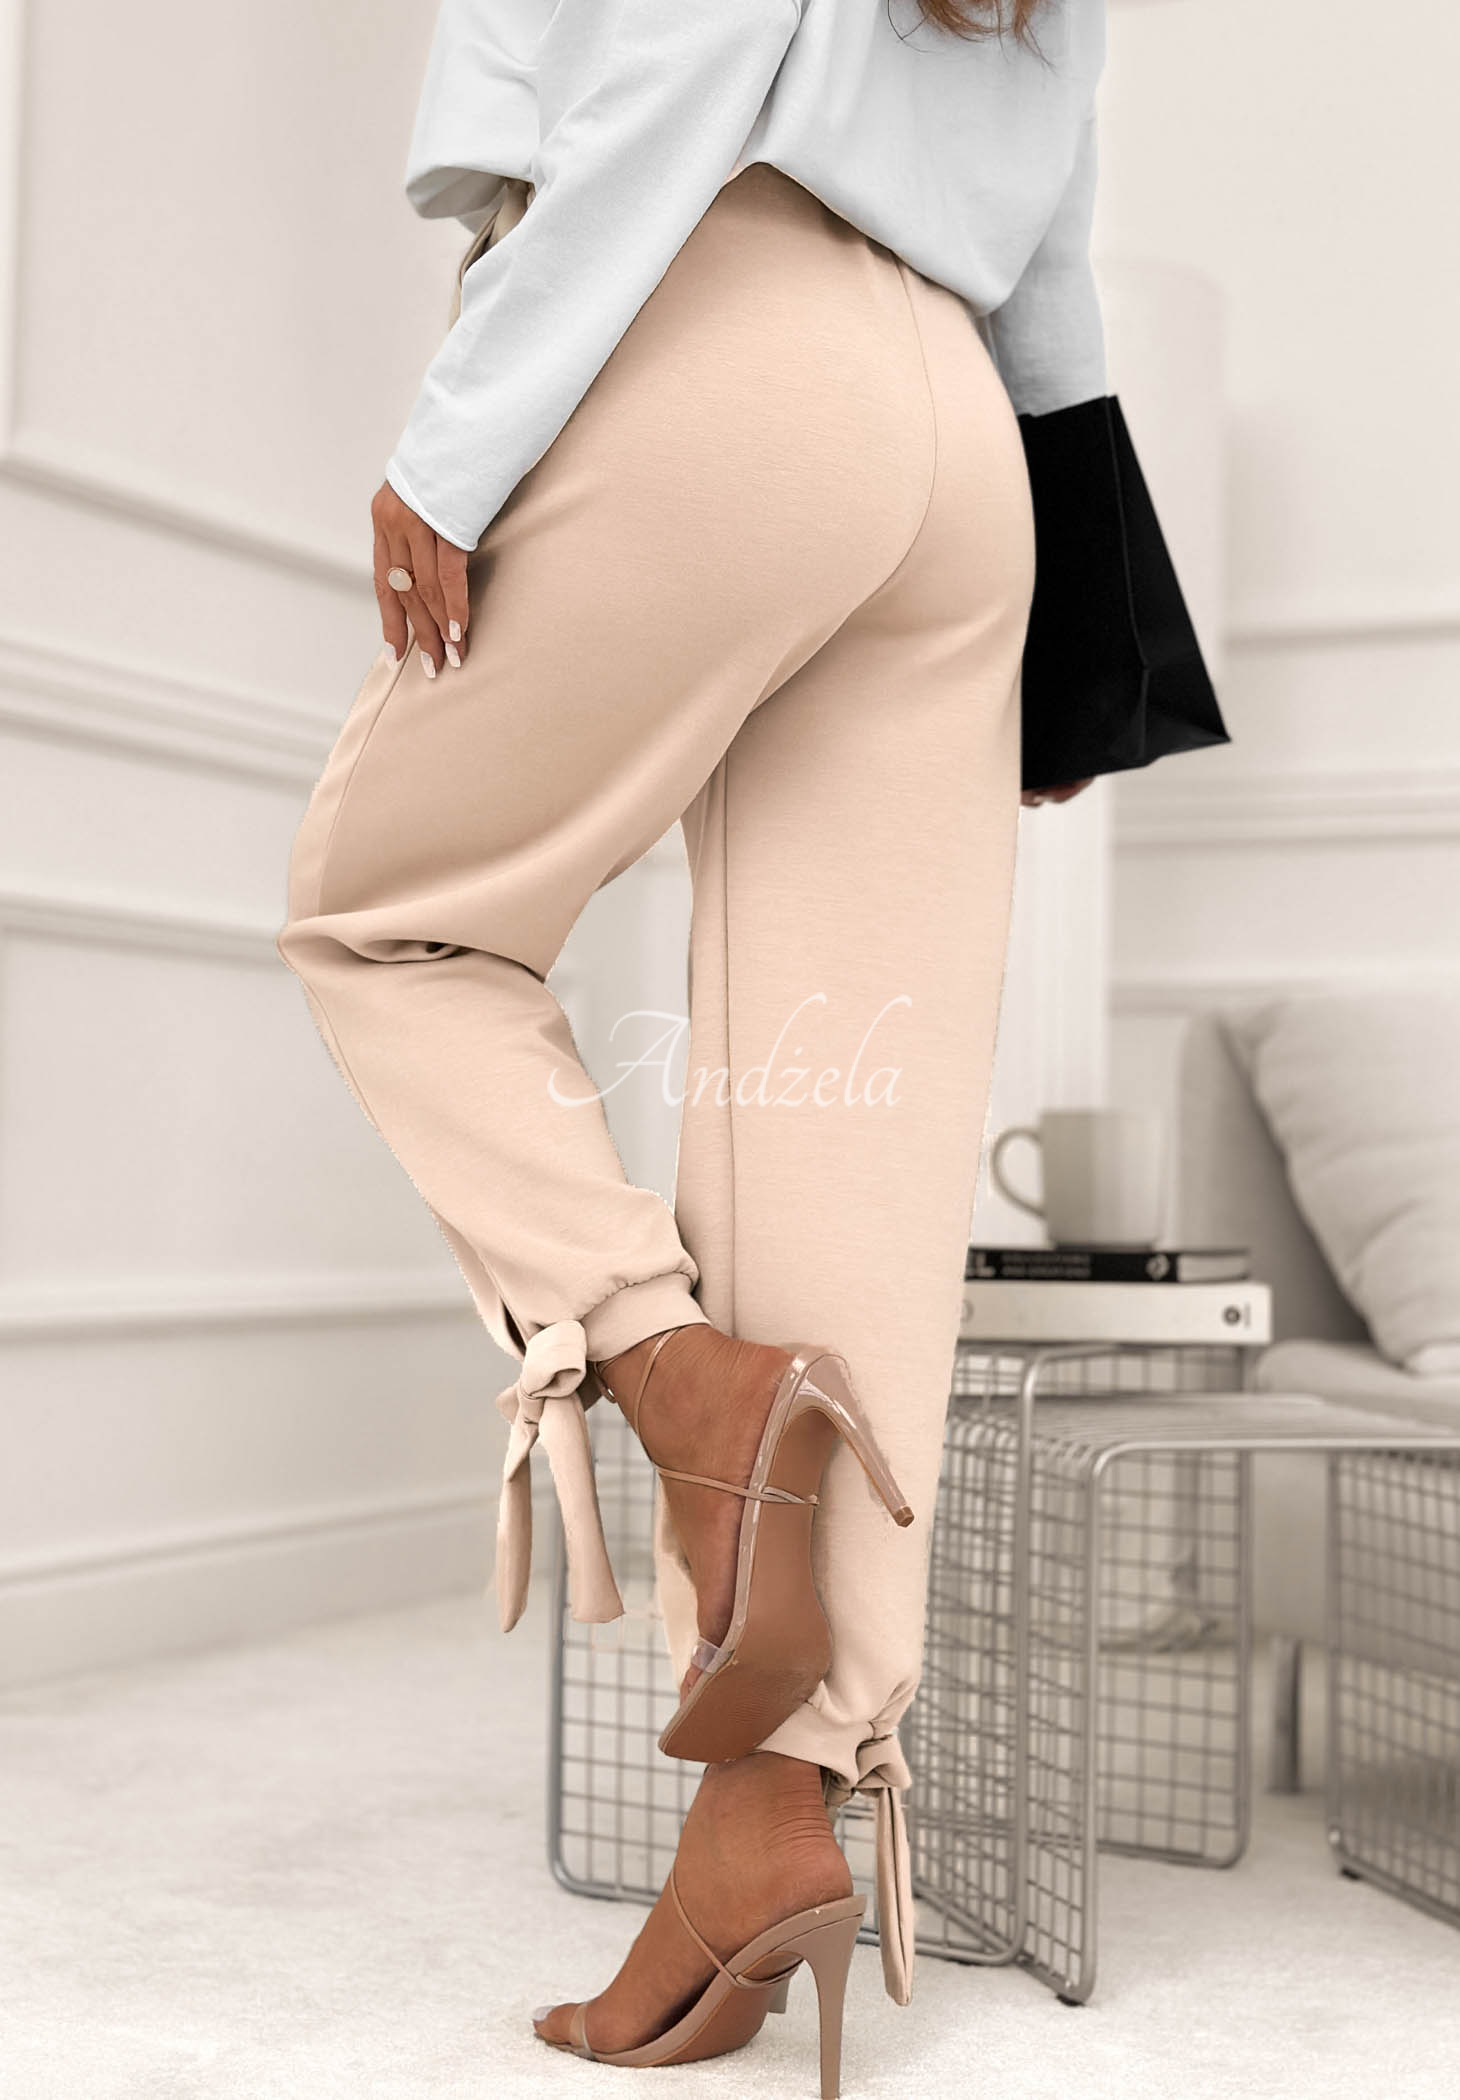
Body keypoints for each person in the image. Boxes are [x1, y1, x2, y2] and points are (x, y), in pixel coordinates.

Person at [275, 0, 1103, 2088]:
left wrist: (460, 436)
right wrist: (1081, 605)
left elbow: (681, 49)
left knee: (392, 921)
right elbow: (1060, 212)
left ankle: (676, 1373)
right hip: (964, 445)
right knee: (852, 1136)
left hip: (711, 318)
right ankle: (766, 1831)